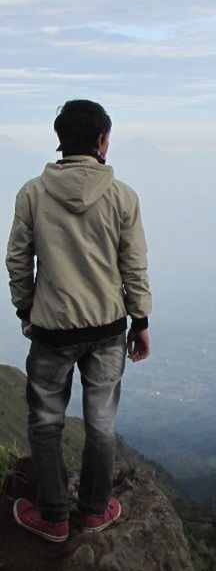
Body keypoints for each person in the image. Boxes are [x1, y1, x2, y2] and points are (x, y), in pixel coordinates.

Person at [5, 99, 152, 542]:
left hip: (51, 331)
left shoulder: (32, 192)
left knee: (46, 423)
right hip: (107, 330)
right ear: (103, 141)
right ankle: (93, 510)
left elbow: (17, 260)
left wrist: (26, 309)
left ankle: (52, 517)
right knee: (101, 423)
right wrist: (140, 320)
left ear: (61, 141)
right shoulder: (123, 196)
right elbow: (134, 266)